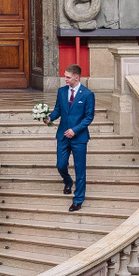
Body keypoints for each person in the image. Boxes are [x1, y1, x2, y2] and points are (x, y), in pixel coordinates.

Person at [45, 65, 95, 213]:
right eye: (65, 76)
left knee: (80, 169)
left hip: (79, 138)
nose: (65, 79)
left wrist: (75, 130)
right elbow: (58, 110)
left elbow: (89, 117)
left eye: (68, 77)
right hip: (62, 135)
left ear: (77, 77)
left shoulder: (87, 94)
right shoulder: (61, 91)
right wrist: (49, 118)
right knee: (60, 165)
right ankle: (68, 181)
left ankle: (78, 199)